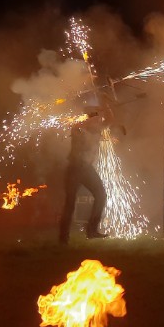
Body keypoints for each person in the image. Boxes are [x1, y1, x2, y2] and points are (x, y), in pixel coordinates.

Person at [57, 105, 113, 244]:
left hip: (87, 169)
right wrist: (93, 116)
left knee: (101, 195)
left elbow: (110, 120)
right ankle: (63, 238)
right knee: (70, 203)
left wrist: (107, 105)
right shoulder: (79, 129)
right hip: (74, 169)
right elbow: (77, 125)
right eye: (96, 118)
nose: (99, 120)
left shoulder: (97, 129)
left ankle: (92, 231)